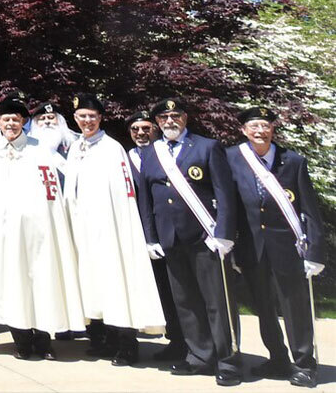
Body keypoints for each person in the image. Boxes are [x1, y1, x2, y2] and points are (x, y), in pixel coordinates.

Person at [134, 98, 240, 385]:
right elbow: (146, 197)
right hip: (170, 239)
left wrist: (223, 234)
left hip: (205, 238)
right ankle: (200, 356)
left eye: (175, 115)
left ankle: (228, 359)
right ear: (157, 122)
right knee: (186, 302)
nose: (169, 121)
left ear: (185, 117)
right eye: (164, 117)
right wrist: (151, 237)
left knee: (218, 302)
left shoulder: (207, 147)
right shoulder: (151, 154)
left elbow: (225, 193)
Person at [0, 98, 84, 361]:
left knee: (42, 283)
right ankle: (21, 340)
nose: (11, 124)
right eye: (5, 119)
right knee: (11, 284)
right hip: (2, 233)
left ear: (23, 122)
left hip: (37, 233)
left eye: (16, 119)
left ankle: (43, 341)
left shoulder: (39, 149)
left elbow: (51, 191)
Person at [60, 93, 165, 366]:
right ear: (75, 119)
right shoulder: (75, 147)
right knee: (92, 283)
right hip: (82, 227)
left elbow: (123, 193)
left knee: (116, 282)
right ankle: (103, 338)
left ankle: (126, 345)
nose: (87, 121)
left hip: (109, 227)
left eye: (92, 117)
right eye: (82, 117)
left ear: (100, 118)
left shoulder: (111, 147)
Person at [226, 106, 323, 388]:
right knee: (263, 306)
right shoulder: (232, 158)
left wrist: (315, 252)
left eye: (264, 126)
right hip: (251, 248)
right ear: (244, 131)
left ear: (272, 130)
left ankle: (304, 363)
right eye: (253, 126)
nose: (259, 131)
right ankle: (278, 358)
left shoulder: (292, 161)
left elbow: (310, 208)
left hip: (289, 248)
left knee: (295, 308)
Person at [125, 109, 185, 361]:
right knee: (159, 289)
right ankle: (174, 339)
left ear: (156, 129)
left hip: (167, 231)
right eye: (136, 129)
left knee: (177, 289)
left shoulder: (166, 154)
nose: (141, 133)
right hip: (137, 232)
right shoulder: (125, 157)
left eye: (146, 128)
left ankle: (185, 340)